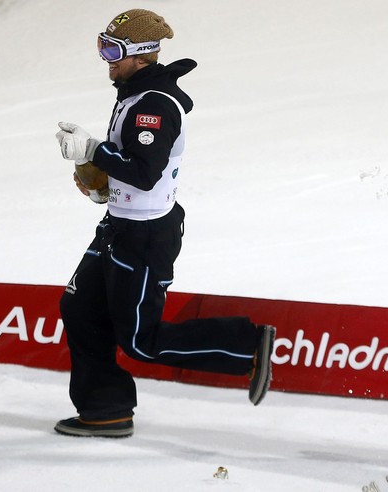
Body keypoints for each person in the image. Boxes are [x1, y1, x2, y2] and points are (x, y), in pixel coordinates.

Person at [54, 9, 275, 438]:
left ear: (140, 55)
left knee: (140, 341)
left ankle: (245, 344)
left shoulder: (154, 103)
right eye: (102, 46)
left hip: (145, 236)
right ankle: (106, 410)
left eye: (113, 50)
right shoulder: (134, 92)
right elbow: (134, 170)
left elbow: (144, 170)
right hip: (119, 224)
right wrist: (104, 188)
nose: (106, 59)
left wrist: (93, 151)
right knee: (79, 307)